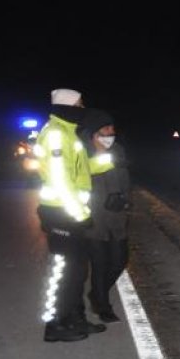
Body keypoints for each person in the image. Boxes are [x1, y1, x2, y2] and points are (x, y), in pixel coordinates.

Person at [35, 88, 105, 341]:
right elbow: (60, 180)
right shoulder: (55, 134)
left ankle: (76, 319)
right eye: (79, 104)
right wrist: (79, 213)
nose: (83, 108)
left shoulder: (67, 132)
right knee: (64, 271)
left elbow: (81, 170)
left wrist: (109, 160)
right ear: (67, 106)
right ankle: (55, 326)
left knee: (77, 271)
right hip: (61, 213)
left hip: (69, 214)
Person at [79, 109, 131, 323]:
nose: (111, 132)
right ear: (94, 132)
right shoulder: (83, 153)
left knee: (120, 260)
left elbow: (125, 177)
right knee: (99, 263)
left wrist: (126, 200)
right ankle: (103, 305)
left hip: (118, 215)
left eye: (112, 128)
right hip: (95, 217)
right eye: (106, 128)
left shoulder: (118, 150)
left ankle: (96, 293)